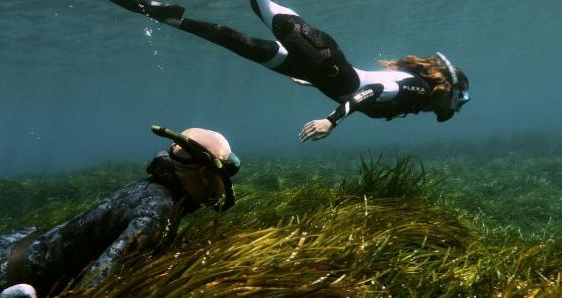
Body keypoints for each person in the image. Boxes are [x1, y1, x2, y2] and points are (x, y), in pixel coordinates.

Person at [107, 0, 471, 142]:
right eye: (458, 101)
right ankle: (166, 15)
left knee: (235, 42)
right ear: (447, 89)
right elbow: (366, 93)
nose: (455, 109)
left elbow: (363, 83)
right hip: (322, 60)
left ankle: (165, 15)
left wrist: (314, 80)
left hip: (320, 69)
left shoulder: (415, 98)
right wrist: (332, 120)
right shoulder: (419, 92)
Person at [0, 126, 241, 298]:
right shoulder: (158, 213)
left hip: (12, 248)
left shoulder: (155, 189)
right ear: (204, 173)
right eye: (224, 175)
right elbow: (93, 287)